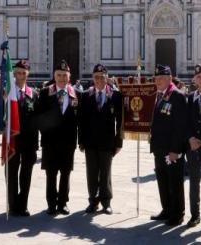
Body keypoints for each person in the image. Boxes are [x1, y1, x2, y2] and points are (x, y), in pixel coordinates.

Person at [79, 64, 123, 215]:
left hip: (107, 142)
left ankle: (106, 202)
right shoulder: (85, 95)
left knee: (105, 172)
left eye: (102, 77)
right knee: (91, 172)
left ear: (107, 78)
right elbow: (81, 120)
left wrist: (119, 142)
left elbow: (120, 121)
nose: (99, 80)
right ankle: (93, 201)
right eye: (96, 77)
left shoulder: (115, 95)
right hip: (90, 142)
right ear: (93, 78)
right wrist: (81, 141)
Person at [38, 60, 79, 215]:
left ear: (69, 77)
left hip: (68, 142)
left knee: (66, 173)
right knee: (51, 173)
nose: (62, 78)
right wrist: (45, 134)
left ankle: (62, 203)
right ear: (54, 76)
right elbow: (39, 116)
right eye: (59, 75)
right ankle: (51, 203)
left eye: (65, 75)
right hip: (50, 142)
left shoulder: (76, 94)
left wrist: (79, 141)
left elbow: (80, 119)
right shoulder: (45, 93)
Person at [150, 64, 187, 226]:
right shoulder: (159, 95)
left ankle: (177, 214)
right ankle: (166, 209)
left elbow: (180, 127)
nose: (158, 81)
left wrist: (175, 150)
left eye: (162, 78)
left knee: (175, 182)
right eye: (156, 78)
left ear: (169, 79)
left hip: (172, 150)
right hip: (159, 148)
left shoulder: (177, 96)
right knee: (163, 181)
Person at [7, 60, 39, 217]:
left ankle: (23, 204)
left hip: (29, 141)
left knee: (26, 174)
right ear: (14, 73)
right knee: (11, 173)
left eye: (23, 73)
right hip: (12, 140)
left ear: (28, 74)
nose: (21, 75)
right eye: (18, 72)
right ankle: (13, 205)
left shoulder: (34, 94)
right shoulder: (8, 93)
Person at [186, 64, 201, 228]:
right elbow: (185, 122)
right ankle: (195, 215)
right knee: (194, 182)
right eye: (199, 77)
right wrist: (191, 138)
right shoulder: (190, 97)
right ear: (194, 80)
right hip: (193, 148)